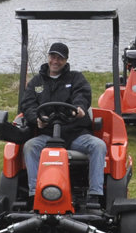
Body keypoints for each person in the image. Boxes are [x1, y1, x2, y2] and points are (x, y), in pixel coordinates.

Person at [18, 41, 107, 206]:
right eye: (53, 56)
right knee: (30, 146)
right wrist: (36, 119)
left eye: (60, 58)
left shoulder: (75, 78)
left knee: (98, 145)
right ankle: (34, 194)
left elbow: (82, 95)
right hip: (48, 135)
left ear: (66, 60)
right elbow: (28, 105)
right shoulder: (37, 82)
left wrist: (79, 108)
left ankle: (95, 195)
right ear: (48, 57)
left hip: (75, 134)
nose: (55, 61)